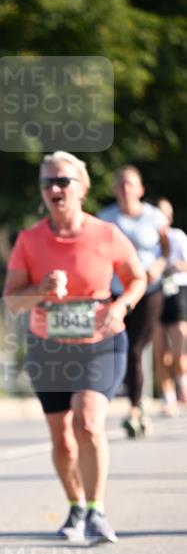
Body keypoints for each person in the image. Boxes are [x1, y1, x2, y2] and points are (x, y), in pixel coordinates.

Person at [3, 151, 146, 544]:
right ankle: (76, 506)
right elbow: (12, 300)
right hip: (48, 348)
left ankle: (97, 510)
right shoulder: (30, 240)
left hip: (100, 343)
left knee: (87, 422)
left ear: (82, 188)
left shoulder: (106, 234)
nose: (54, 188)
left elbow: (137, 278)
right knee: (63, 439)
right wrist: (41, 289)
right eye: (47, 182)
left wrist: (121, 305)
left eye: (63, 181)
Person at [98, 166, 169, 437]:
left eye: (130, 184)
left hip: (148, 290)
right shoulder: (106, 219)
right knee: (125, 348)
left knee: (136, 348)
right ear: (114, 189)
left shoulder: (154, 217)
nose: (125, 189)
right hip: (117, 291)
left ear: (140, 189)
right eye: (120, 184)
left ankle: (137, 405)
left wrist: (159, 266)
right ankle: (136, 407)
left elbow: (167, 249)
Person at [154, 198, 187, 414]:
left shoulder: (178, 236)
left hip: (177, 292)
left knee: (179, 350)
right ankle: (168, 398)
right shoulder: (149, 239)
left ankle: (182, 384)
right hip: (156, 293)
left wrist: (172, 265)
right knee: (160, 352)